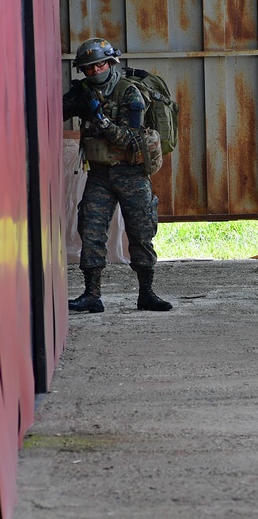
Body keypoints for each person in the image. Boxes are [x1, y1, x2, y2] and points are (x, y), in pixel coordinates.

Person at [63, 37, 172, 313]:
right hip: (99, 173)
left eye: (99, 65)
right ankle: (91, 294)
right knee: (91, 229)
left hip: (131, 173)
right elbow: (57, 111)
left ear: (110, 63)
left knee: (141, 231)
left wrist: (100, 120)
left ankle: (146, 293)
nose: (94, 72)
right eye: (88, 68)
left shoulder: (130, 94)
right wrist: (72, 101)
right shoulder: (85, 92)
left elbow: (131, 139)